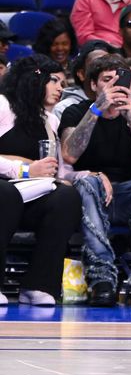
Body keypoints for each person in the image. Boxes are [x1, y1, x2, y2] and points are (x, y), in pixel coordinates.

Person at [60, 54, 131, 308]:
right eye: (106, 80)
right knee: (89, 183)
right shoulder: (76, 112)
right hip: (91, 197)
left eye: (119, 80)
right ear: (93, 85)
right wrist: (97, 110)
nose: (114, 85)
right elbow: (69, 153)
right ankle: (102, 278)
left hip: (129, 198)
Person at [0, 55, 81, 306]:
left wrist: (86, 176)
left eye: (63, 82)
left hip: (29, 194)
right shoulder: (3, 105)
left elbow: (59, 169)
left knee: (66, 198)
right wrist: (23, 170)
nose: (61, 88)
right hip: (6, 192)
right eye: (54, 80)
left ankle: (38, 284)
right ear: (34, 79)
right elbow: (30, 169)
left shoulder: (50, 119)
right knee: (6, 195)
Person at [53, 40, 114, 119]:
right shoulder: (64, 108)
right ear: (81, 74)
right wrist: (97, 108)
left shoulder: (127, 101)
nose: (103, 71)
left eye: (109, 64)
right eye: (97, 66)